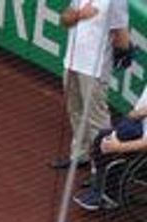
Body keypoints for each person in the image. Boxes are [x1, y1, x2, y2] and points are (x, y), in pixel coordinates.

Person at [50, 0, 131, 171]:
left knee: (97, 119)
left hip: (94, 69)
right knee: (76, 110)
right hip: (71, 63)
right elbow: (64, 19)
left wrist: (118, 52)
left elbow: (122, 37)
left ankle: (101, 170)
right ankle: (80, 156)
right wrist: (79, 15)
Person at [75, 88, 147, 210]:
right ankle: (102, 189)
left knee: (107, 144)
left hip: (142, 145)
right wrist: (138, 114)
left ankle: (109, 195)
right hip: (137, 129)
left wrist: (117, 146)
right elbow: (133, 115)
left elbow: (145, 145)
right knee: (103, 138)